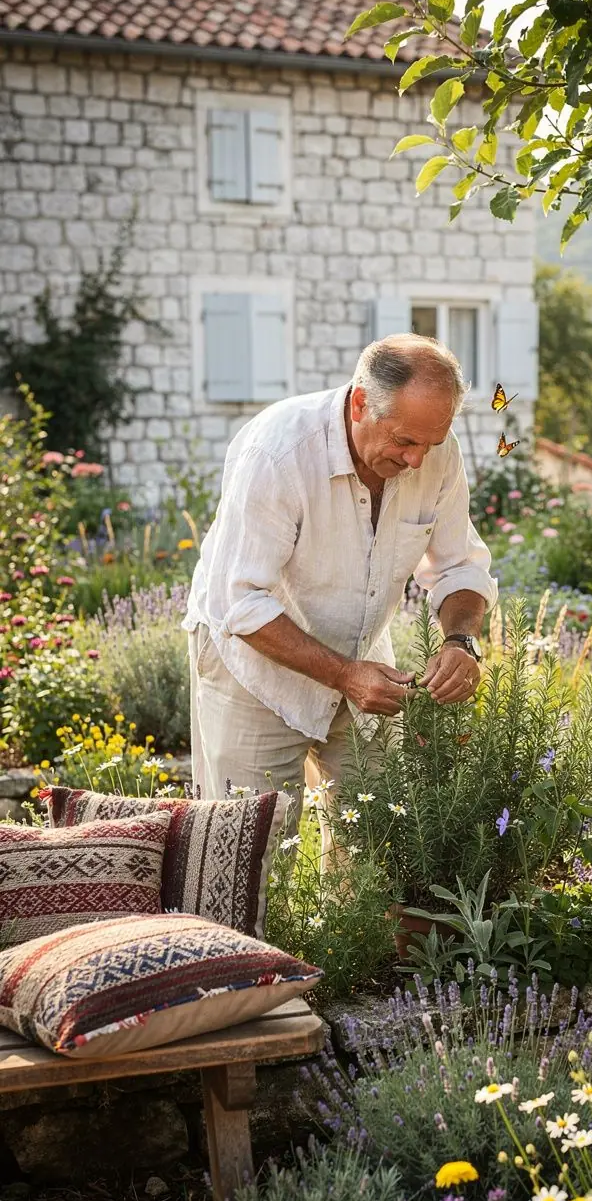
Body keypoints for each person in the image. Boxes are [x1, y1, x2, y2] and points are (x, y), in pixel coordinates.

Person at [183, 332, 498, 856]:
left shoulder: (434, 453)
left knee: (377, 846)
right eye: (403, 441)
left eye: (431, 442)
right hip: (253, 664)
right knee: (245, 856)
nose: (418, 460)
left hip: (362, 656)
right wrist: (345, 675)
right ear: (359, 402)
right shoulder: (278, 452)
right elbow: (240, 602)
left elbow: (459, 565)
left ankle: (355, 941)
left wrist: (460, 642)